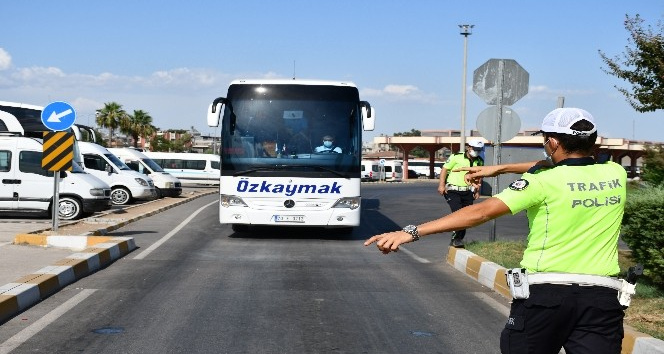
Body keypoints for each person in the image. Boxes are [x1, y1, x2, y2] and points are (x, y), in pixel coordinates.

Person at [365, 107, 628, 354]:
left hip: (546, 295)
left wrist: (411, 232)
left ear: (553, 143)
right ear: (592, 142)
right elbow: (557, 165)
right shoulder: (615, 174)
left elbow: (480, 212)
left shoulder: (541, 183)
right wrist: (498, 168)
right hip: (602, 298)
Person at [437, 139, 485, 247]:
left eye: (479, 150)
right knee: (458, 214)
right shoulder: (456, 157)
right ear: (469, 147)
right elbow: (444, 170)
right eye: (475, 149)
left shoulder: (480, 161)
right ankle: (456, 239)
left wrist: (477, 191)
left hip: (468, 192)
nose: (477, 152)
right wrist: (441, 184)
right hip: (453, 191)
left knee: (467, 216)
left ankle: (458, 238)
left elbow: (479, 177)